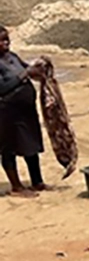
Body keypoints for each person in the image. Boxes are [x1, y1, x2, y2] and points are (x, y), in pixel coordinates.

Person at [0, 26, 45, 193]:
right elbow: (2, 88)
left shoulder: (12, 57)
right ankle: (16, 186)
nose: (5, 43)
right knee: (9, 148)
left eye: (7, 39)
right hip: (7, 112)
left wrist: (39, 68)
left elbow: (29, 70)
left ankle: (37, 181)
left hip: (25, 110)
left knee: (30, 144)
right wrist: (24, 74)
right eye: (1, 40)